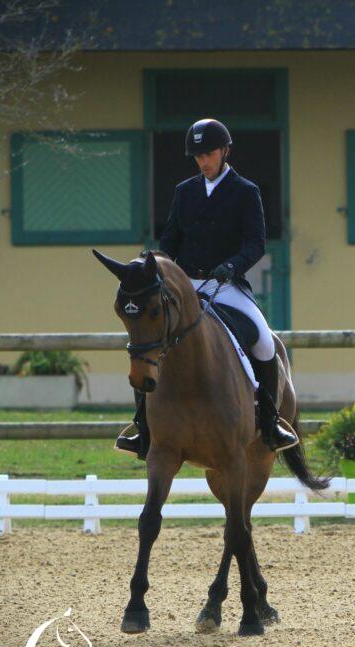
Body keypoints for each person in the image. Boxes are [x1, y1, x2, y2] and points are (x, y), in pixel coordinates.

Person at [115, 118, 297, 459]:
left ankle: (270, 420)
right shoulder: (185, 191)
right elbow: (170, 239)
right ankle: (142, 427)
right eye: (197, 156)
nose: (203, 161)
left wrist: (231, 266)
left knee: (261, 338)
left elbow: (256, 243)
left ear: (225, 151)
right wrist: (152, 262)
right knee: (147, 340)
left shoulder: (246, 191)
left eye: (209, 153)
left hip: (226, 284)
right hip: (184, 285)